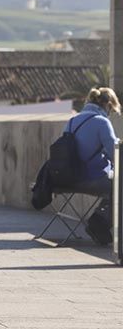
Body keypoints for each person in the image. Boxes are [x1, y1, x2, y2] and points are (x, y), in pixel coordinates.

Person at [64, 87, 120, 245]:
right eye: (112, 109)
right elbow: (115, 153)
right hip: (88, 178)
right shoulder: (102, 122)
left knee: (114, 187)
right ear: (108, 105)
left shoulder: (73, 121)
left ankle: (98, 221)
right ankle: (98, 222)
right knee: (119, 187)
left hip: (67, 177)